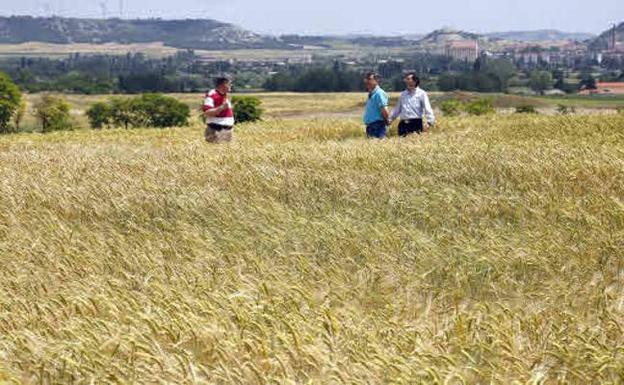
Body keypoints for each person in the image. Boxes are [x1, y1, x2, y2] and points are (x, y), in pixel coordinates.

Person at [389, 73, 435, 137]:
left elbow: (427, 108)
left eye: (408, 79)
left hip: (415, 123)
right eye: (406, 79)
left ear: (415, 81)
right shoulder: (403, 94)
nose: (406, 81)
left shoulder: (421, 93)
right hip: (403, 123)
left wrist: (430, 121)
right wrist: (390, 119)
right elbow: (397, 109)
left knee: (414, 143)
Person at [203, 77, 235, 143]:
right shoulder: (212, 95)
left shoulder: (224, 95)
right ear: (222, 84)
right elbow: (207, 112)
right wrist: (221, 108)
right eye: (229, 84)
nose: (231, 86)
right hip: (217, 130)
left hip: (226, 130)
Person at [363, 72, 390, 139]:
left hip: (377, 126)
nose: (367, 81)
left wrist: (386, 122)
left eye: (369, 79)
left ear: (376, 80)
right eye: (366, 79)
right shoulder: (372, 93)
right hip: (372, 126)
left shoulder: (379, 93)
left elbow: (384, 111)